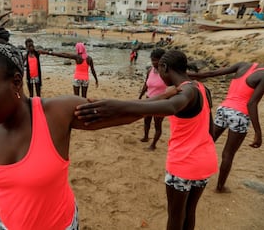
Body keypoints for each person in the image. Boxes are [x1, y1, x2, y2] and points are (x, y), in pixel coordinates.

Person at [0, 12, 141, 230]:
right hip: (2, 223)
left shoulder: (54, 114)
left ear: (15, 82)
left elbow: (122, 114)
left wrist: (168, 103)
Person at [75, 50, 218, 230]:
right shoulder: (201, 88)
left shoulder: (187, 91)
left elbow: (172, 107)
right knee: (189, 212)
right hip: (206, 161)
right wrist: (120, 105)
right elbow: (210, 130)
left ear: (164, 67)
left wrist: (116, 105)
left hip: (183, 162)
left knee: (175, 216)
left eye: (159, 70)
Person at [188, 61, 264, 193]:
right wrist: (258, 133)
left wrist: (184, 74)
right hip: (240, 115)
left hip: (224, 109)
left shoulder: (243, 65)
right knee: (228, 154)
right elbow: (252, 103)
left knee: (207, 143)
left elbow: (211, 73)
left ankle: (190, 172)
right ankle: (220, 187)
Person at [138, 48, 167, 150]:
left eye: (156, 60)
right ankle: (146, 137)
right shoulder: (150, 70)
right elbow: (146, 84)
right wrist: (141, 95)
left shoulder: (166, 73)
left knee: (157, 124)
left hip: (161, 102)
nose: (154, 62)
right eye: (152, 60)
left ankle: (153, 145)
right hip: (149, 99)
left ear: (162, 60)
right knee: (146, 120)